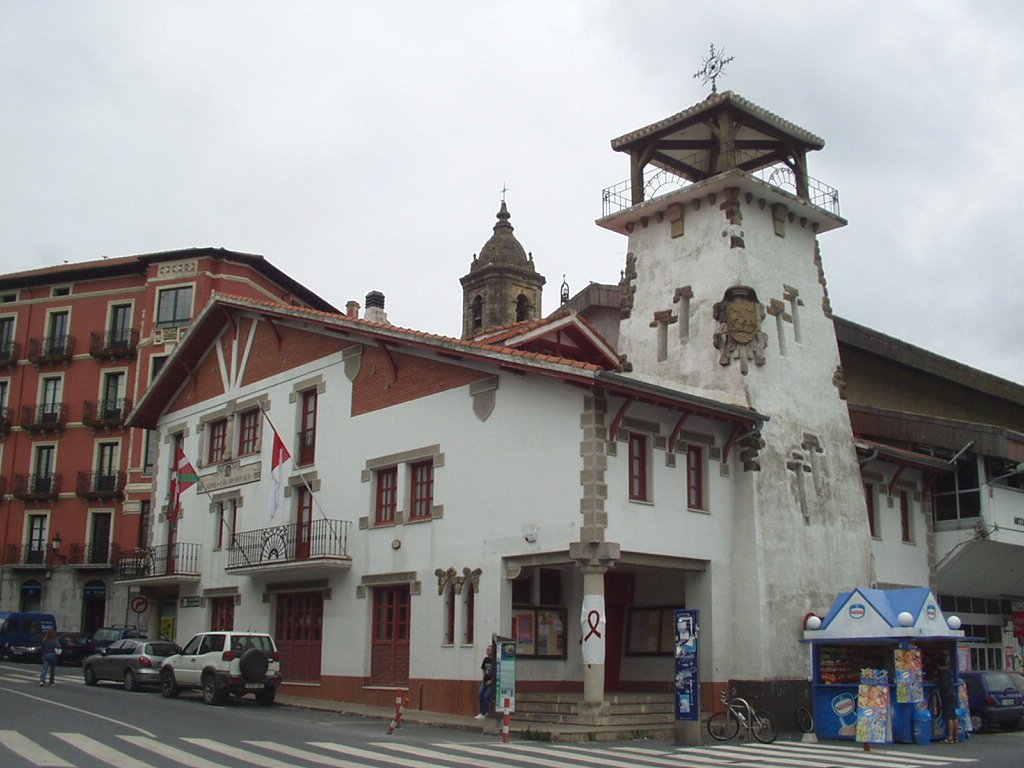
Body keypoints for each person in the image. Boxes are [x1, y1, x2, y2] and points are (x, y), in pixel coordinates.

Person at [936, 651, 960, 743]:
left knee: (949, 717)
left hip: (947, 695)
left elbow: (945, 684)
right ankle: (956, 737)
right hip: (953, 694)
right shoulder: (951, 671)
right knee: (954, 716)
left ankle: (950, 737)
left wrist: (939, 682)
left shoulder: (944, 672)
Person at [475, 645, 495, 719]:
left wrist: (492, 681)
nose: (487, 651)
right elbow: (483, 669)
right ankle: (482, 712)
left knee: (486, 696)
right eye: (487, 649)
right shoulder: (486, 659)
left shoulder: (495, 660)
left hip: (492, 683)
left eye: (489, 649)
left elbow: (497, 672)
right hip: (485, 681)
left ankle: (483, 713)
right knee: (480, 695)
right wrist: (484, 679)